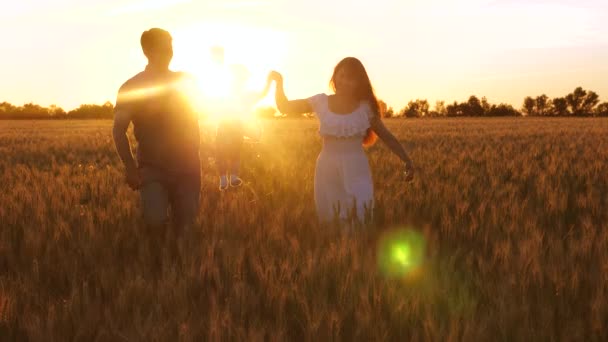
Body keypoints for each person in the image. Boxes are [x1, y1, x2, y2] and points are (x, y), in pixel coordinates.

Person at [268, 57, 415, 225]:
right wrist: (279, 83)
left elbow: (387, 136)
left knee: (360, 213)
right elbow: (285, 107)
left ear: (359, 82)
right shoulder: (320, 101)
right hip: (327, 168)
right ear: (335, 77)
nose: (345, 81)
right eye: (342, 75)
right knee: (331, 217)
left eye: (351, 78)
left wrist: (407, 160)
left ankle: (358, 249)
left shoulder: (365, 108)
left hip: (356, 168)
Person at [112, 28, 201, 236]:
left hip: (188, 168)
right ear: (148, 51)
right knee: (155, 223)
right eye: (164, 47)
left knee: (186, 227)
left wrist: (195, 153)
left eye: (170, 47)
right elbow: (118, 130)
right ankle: (157, 264)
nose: (169, 52)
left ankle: (179, 266)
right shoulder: (131, 87)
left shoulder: (186, 82)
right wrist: (130, 168)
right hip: (152, 168)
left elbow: (195, 118)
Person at [211, 47, 271, 190]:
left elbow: (218, 76)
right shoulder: (236, 92)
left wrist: (218, 60)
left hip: (230, 128)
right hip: (234, 127)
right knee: (231, 153)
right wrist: (269, 82)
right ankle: (229, 177)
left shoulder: (225, 91)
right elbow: (262, 94)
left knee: (227, 153)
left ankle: (227, 178)